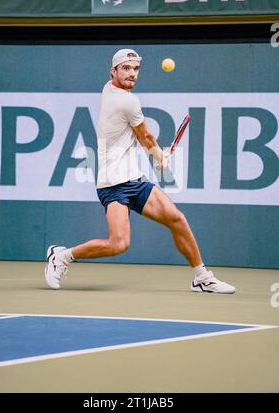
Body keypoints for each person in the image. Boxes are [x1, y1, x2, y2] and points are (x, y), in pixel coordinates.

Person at [45, 48, 235, 294]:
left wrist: (157, 154)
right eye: (125, 68)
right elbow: (144, 135)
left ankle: (202, 277)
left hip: (134, 179)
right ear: (113, 71)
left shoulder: (109, 88)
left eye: (135, 69)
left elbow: (140, 136)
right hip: (112, 183)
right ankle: (62, 256)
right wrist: (160, 156)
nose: (132, 74)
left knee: (176, 218)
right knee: (119, 244)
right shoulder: (126, 100)